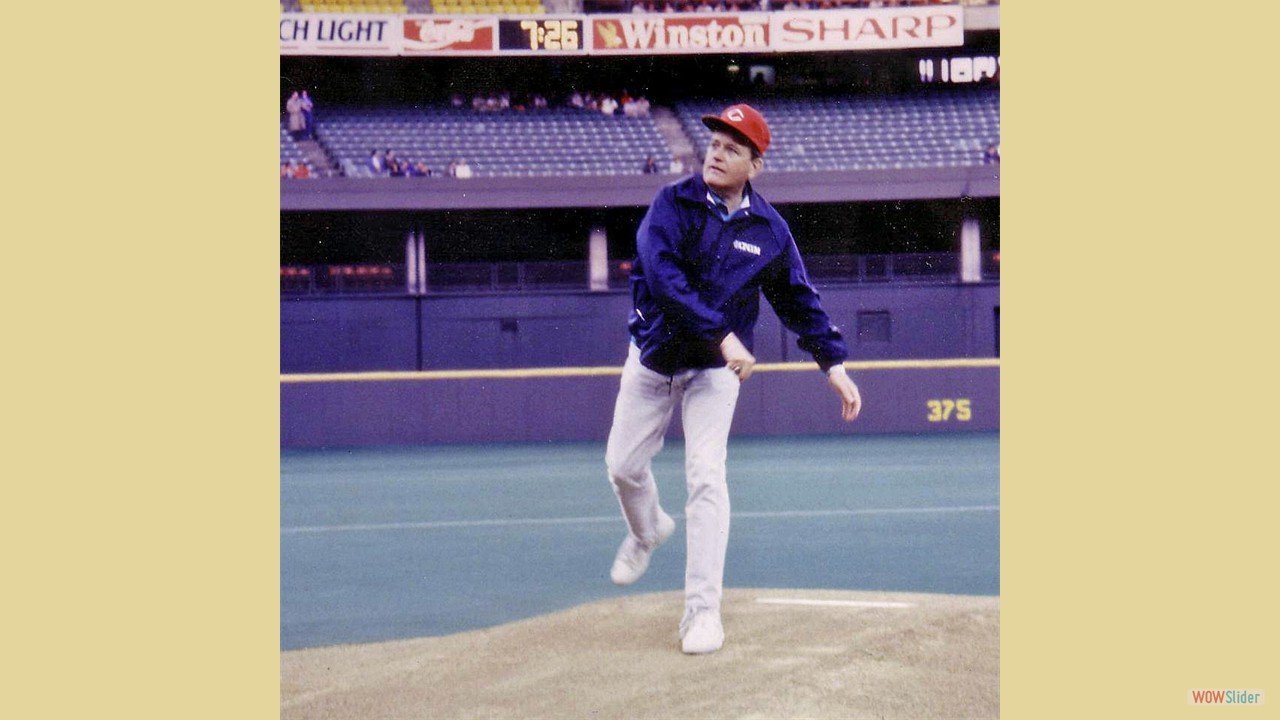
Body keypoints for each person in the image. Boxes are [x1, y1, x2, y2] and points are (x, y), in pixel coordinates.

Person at [604, 104, 863, 655]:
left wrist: (833, 364)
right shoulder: (671, 205)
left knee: (707, 479)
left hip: (714, 374)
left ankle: (702, 614)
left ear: (755, 165)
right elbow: (664, 279)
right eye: (714, 143)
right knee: (623, 469)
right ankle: (648, 530)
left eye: (731, 148)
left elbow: (798, 298)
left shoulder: (768, 229)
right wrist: (724, 335)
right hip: (654, 359)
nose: (717, 154)